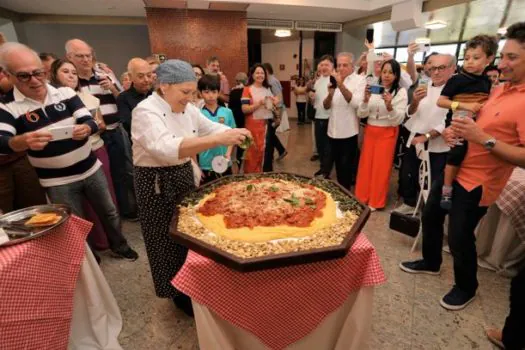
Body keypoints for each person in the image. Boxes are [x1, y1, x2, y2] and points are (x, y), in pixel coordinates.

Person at [400, 22, 525, 313]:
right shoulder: (499, 90)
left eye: (512, 58)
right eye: (502, 56)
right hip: (455, 166)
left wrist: (483, 138)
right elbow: (471, 116)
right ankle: (431, 262)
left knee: (458, 235)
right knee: (431, 214)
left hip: (479, 181)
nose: (502, 63)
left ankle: (466, 286)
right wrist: (460, 131)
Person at [131, 59, 251, 316]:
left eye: (192, 92)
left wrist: (235, 131)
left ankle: (194, 285)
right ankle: (176, 293)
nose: (190, 98)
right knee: (165, 238)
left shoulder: (189, 109)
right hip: (155, 181)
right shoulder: (145, 111)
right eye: (185, 92)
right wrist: (216, 139)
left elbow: (211, 127)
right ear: (164, 86)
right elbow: (165, 148)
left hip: (183, 173)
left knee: (189, 233)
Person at [0, 43, 138, 261]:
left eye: (38, 73)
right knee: (75, 223)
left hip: (90, 168)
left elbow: (90, 120)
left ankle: (120, 245)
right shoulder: (7, 107)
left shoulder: (64, 93)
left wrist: (87, 128)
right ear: (8, 76)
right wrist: (22, 141)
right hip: (56, 181)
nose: (35, 81)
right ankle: (90, 259)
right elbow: (2, 141)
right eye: (24, 76)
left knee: (109, 212)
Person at [49, 58, 119, 252]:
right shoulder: (50, 102)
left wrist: (88, 127)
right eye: (65, 72)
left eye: (73, 72)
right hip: (62, 166)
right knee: (79, 211)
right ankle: (94, 247)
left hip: (94, 150)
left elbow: (101, 124)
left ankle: (115, 243)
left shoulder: (88, 98)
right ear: (54, 75)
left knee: (107, 204)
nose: (71, 75)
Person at [66, 38, 138, 220]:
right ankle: (106, 213)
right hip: (91, 137)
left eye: (88, 55)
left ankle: (125, 211)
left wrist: (112, 87)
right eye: (79, 56)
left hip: (114, 130)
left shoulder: (104, 74)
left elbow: (122, 99)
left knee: (122, 172)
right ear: (69, 57)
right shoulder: (71, 81)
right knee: (100, 177)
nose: (85, 59)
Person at [436, 34, 498, 210]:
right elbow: (441, 101)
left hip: (476, 125)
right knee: (457, 152)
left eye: (476, 58)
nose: (470, 62)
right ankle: (446, 189)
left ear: (489, 59)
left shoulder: (486, 81)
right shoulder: (457, 79)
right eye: (467, 58)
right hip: (458, 122)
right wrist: (463, 104)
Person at [395, 54, 456, 214]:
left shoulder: (455, 91)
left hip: (437, 145)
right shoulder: (425, 85)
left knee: (432, 181)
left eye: (441, 68)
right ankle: (409, 203)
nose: (436, 72)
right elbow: (411, 113)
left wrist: (427, 136)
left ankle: (429, 210)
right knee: (409, 173)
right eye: (433, 68)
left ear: (452, 68)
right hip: (415, 138)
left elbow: (448, 121)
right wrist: (415, 101)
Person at [355, 59, 408, 211]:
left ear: (397, 75)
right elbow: (361, 113)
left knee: (381, 168)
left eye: (391, 72)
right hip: (371, 130)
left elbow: (398, 119)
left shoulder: (400, 92)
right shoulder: (373, 89)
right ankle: (362, 197)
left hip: (387, 132)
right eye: (384, 72)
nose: (386, 76)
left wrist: (390, 106)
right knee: (366, 165)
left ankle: (376, 201)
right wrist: (365, 100)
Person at [321, 52, 365, 190]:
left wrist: (341, 85)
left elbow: (356, 103)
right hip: (332, 132)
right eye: (339, 65)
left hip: (348, 133)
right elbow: (326, 106)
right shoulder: (332, 80)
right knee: (334, 169)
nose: (340, 68)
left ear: (352, 67)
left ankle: (346, 199)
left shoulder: (359, 80)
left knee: (345, 171)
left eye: (344, 65)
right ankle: (339, 196)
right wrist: (329, 95)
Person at [241, 64, 279, 173]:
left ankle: (263, 179)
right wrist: (258, 104)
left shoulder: (267, 89)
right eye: (257, 73)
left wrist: (274, 104)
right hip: (252, 128)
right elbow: (244, 109)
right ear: (252, 75)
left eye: (262, 73)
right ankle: (251, 179)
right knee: (252, 155)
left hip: (266, 127)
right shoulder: (247, 90)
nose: (260, 75)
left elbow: (271, 107)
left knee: (266, 154)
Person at [198, 74, 236, 182]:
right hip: (205, 163)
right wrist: (196, 165)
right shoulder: (198, 114)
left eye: (214, 92)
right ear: (200, 93)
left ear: (219, 92)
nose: (210, 95)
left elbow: (232, 134)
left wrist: (228, 153)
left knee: (227, 193)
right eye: (206, 92)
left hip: (224, 161)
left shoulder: (227, 112)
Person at [116, 58, 153, 140]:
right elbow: (130, 125)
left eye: (149, 75)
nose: (146, 80)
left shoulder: (156, 94)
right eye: (141, 76)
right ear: (130, 77)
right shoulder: (123, 98)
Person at [310, 55, 334, 177]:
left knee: (328, 147)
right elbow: (315, 102)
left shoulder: (334, 80)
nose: (324, 67)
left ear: (332, 66)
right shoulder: (318, 81)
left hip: (330, 118)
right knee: (319, 145)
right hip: (318, 116)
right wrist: (312, 99)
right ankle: (323, 168)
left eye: (327, 65)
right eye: (322, 65)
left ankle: (326, 172)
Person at [262, 62, 288, 160]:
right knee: (271, 133)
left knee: (270, 133)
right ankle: (279, 151)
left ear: (267, 71)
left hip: (275, 112)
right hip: (272, 111)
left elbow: (279, 98)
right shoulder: (271, 80)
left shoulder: (272, 81)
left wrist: (277, 116)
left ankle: (275, 153)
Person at [228, 72, 248, 164]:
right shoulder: (247, 91)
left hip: (234, 116)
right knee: (242, 138)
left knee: (235, 137)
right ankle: (241, 158)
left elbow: (230, 106)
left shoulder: (233, 91)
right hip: (244, 117)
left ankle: (234, 158)